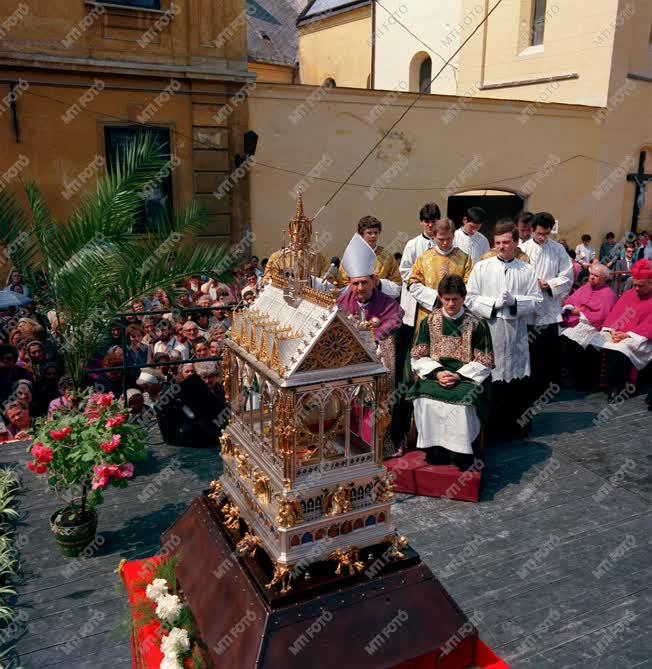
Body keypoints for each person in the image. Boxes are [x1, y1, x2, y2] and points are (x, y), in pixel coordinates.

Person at [407, 275, 493, 470]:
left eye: (455, 299)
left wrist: (458, 375)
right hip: (434, 374)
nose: (450, 303)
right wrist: (437, 373)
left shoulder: (477, 324)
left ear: (463, 297)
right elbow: (417, 355)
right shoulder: (428, 321)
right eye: (446, 299)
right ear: (440, 297)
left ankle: (462, 451)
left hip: (467, 377)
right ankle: (435, 448)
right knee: (425, 398)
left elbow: (485, 361)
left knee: (462, 403)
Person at [466, 222, 543, 437]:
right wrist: (494, 303)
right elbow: (470, 299)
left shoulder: (526, 269)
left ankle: (514, 428)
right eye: (497, 243)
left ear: (516, 243)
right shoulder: (482, 267)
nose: (501, 246)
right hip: (489, 329)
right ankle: (488, 429)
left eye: (506, 242)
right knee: (490, 377)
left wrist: (515, 301)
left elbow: (537, 301)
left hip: (516, 330)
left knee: (515, 379)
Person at [336, 233, 404, 457]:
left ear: (373, 281)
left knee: (381, 393)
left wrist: (375, 333)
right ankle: (351, 443)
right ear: (349, 284)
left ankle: (381, 444)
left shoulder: (386, 302)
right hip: (352, 357)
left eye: (364, 282)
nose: (360, 288)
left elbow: (395, 318)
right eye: (355, 283)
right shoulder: (341, 303)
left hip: (379, 356)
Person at [520, 212, 574, 399]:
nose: (542, 237)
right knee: (529, 351)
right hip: (527, 310)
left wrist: (549, 284)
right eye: (539, 233)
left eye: (546, 234)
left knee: (547, 353)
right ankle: (527, 389)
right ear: (532, 230)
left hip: (549, 309)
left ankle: (545, 390)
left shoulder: (558, 250)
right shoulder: (522, 249)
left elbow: (568, 276)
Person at [595, 259, 652, 403]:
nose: (637, 289)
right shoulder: (628, 294)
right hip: (619, 333)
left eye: (641, 286)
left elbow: (649, 325)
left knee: (622, 348)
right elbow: (615, 314)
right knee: (600, 340)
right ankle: (604, 383)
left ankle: (618, 388)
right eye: (635, 285)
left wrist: (627, 335)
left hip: (642, 338)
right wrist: (612, 331)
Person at [407, 218, 473, 331]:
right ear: (434, 236)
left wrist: (452, 300)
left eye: (449, 239)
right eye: (441, 239)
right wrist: (435, 296)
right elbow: (413, 284)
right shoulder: (424, 258)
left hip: (456, 314)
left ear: (453, 236)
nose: (445, 243)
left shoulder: (464, 258)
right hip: (429, 312)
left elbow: (470, 286)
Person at [560, 263, 617, 388]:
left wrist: (582, 315)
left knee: (577, 344)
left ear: (604, 278)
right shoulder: (585, 287)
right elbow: (570, 301)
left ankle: (579, 380)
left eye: (596, 276)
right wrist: (571, 309)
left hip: (593, 327)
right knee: (563, 339)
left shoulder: (609, 294)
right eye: (591, 274)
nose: (591, 277)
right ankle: (565, 374)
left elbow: (602, 316)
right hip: (575, 321)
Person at [337, 216, 401, 298]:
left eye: (376, 232)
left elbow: (397, 285)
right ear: (361, 234)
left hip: (380, 302)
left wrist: (379, 283)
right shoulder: (351, 255)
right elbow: (342, 284)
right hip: (356, 302)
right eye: (369, 233)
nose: (373, 236)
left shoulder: (387, 257)